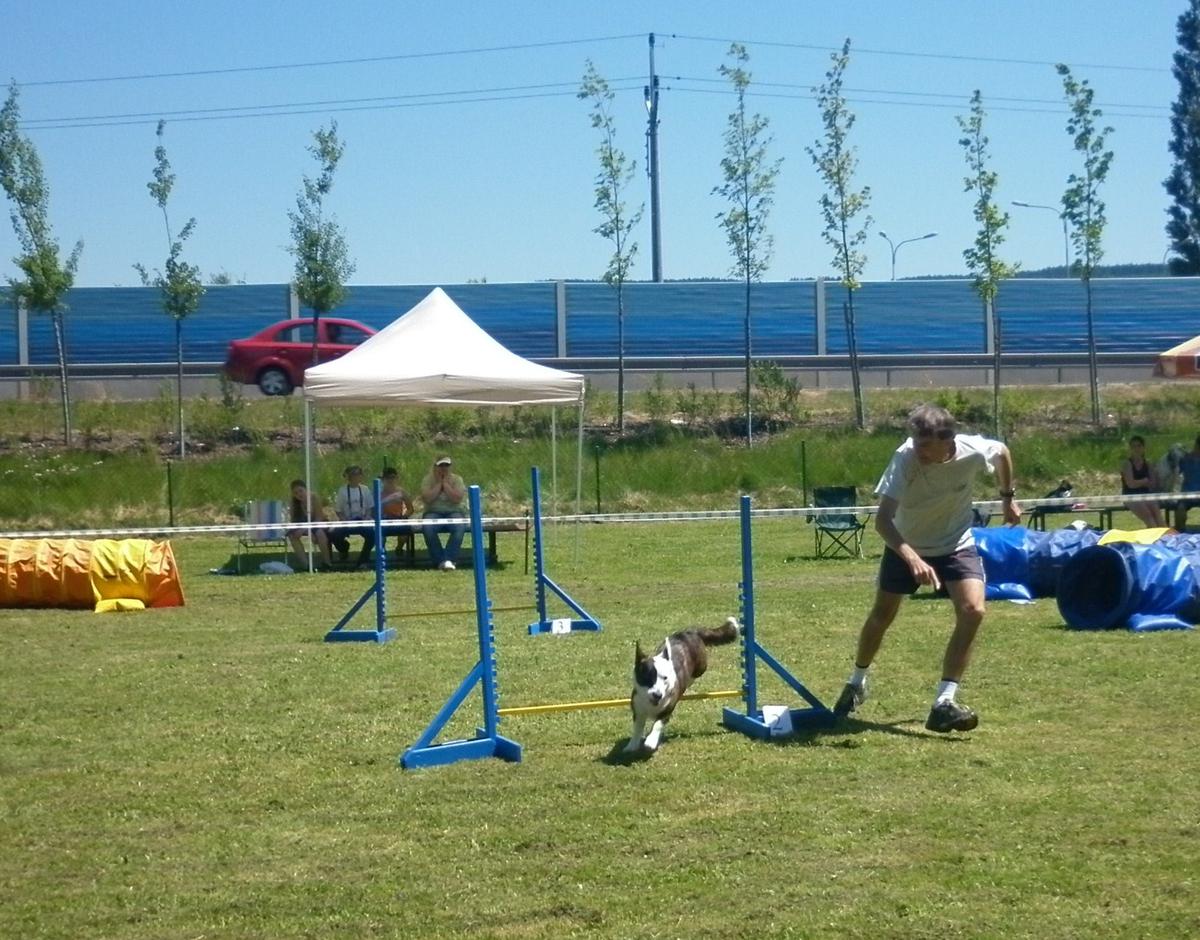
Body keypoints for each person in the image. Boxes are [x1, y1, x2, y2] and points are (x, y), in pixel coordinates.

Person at [833, 403, 1021, 734]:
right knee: (882, 615)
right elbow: (882, 520)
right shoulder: (905, 457)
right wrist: (912, 558)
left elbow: (1003, 452)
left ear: (947, 440)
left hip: (955, 544)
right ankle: (857, 681)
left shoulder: (972, 450)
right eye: (915, 441)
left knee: (974, 611)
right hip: (906, 543)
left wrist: (1008, 497)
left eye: (925, 444)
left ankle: (944, 703)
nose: (917, 449)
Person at [420, 456, 467, 571]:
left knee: (459, 527)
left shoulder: (457, 480)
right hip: (433, 511)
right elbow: (428, 499)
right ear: (435, 467)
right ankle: (440, 560)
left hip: (454, 511)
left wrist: (445, 484)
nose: (444, 468)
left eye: (446, 465)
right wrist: (439, 484)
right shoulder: (427, 480)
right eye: (441, 465)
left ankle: (449, 559)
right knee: (428, 527)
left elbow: (457, 499)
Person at [331, 464, 377, 568]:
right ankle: (344, 548)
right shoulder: (342, 491)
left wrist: (366, 518)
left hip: (362, 520)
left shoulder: (365, 489)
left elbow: (371, 507)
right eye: (353, 475)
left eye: (358, 474)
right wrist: (344, 520)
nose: (356, 477)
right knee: (334, 535)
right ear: (348, 477)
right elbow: (338, 510)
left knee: (372, 535)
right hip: (347, 520)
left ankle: (363, 561)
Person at [287, 479, 333, 571]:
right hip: (302, 526)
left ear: (306, 489)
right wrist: (305, 529)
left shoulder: (314, 498)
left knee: (320, 534)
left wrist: (309, 530)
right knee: (292, 536)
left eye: (301, 491)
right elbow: (293, 521)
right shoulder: (293, 503)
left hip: (318, 522)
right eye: (296, 493)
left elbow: (319, 517)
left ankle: (327, 563)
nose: (299, 494)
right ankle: (306, 566)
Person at [1120, 435, 1165, 528]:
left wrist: (1143, 482)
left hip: (1146, 495)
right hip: (1130, 496)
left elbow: (1153, 484)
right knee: (1148, 516)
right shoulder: (1127, 464)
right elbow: (1131, 484)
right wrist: (1144, 481)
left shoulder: (1148, 463)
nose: (1136, 449)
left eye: (1139, 446)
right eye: (1133, 446)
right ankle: (1155, 539)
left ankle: (1167, 539)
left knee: (1157, 515)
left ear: (1143, 448)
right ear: (1130, 449)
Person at [380, 467, 415, 561]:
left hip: (399, 517)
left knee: (404, 534)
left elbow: (410, 508)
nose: (391, 480)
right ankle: (382, 553)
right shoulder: (379, 492)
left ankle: (399, 548)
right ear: (383, 480)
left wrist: (404, 516)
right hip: (384, 519)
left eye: (393, 477)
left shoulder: (401, 492)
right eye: (388, 478)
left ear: (396, 478)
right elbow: (374, 510)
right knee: (379, 535)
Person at [1174, 435, 1200, 531]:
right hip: (1186, 494)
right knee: (1180, 510)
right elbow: (1176, 475)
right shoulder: (1185, 459)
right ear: (1195, 445)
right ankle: (1179, 534)